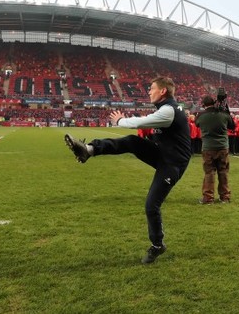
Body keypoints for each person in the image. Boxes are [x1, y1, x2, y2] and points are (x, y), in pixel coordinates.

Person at [64, 76, 191, 264]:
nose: (149, 91)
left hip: (172, 164)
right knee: (131, 142)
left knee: (151, 205)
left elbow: (140, 123)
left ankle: (157, 245)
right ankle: (89, 150)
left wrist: (121, 120)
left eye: (152, 88)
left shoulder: (169, 110)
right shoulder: (168, 108)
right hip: (162, 153)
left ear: (163, 91)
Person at [195, 94, 236, 204]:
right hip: (223, 147)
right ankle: (225, 197)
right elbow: (232, 126)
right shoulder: (223, 114)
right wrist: (226, 111)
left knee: (209, 173)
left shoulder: (200, 115)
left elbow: (197, 124)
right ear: (214, 103)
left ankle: (208, 198)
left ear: (203, 105)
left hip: (208, 148)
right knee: (223, 172)